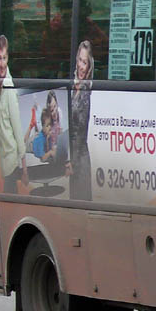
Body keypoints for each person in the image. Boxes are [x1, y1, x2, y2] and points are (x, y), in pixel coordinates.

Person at [0, 34, 27, 194]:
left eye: (4, 58)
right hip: (3, 161)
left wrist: (24, 166)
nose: (1, 63)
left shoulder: (8, 85)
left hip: (11, 163)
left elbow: (17, 127)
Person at [69, 39, 94, 201]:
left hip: (79, 159)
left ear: (89, 66)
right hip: (73, 158)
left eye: (84, 62)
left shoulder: (85, 93)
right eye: (79, 59)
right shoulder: (73, 87)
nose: (80, 65)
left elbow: (80, 134)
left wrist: (72, 161)